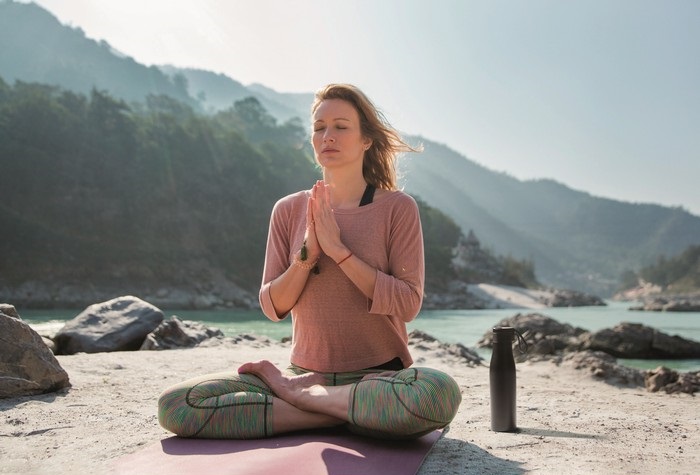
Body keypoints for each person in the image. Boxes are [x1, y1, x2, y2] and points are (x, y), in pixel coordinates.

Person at [158, 83, 461, 440]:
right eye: (319, 128)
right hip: (300, 376)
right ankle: (332, 410)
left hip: (378, 379)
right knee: (178, 404)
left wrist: (340, 252)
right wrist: (307, 256)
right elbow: (273, 306)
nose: (327, 135)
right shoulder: (288, 210)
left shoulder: (397, 208)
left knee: (438, 394)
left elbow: (408, 304)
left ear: (367, 140)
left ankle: (316, 406)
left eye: (341, 126)